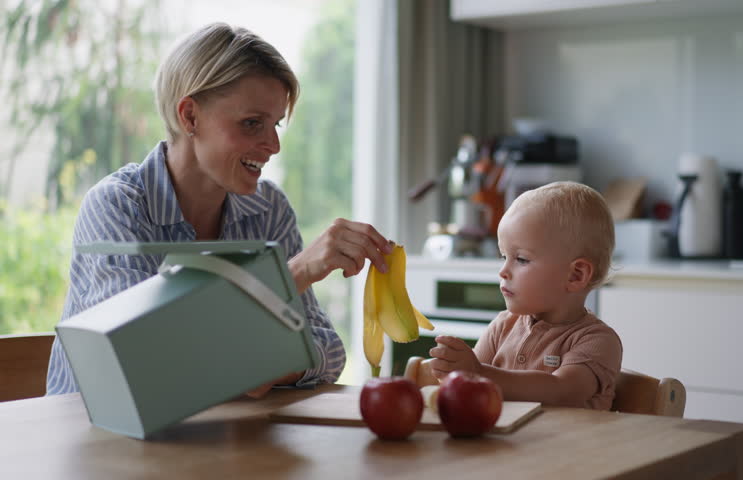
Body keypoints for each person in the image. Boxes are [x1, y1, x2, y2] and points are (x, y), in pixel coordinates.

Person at [45, 23, 393, 397]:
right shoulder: (118, 207)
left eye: (275, 124)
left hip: (217, 438)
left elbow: (326, 350)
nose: (273, 144)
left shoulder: (268, 209)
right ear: (190, 117)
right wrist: (295, 274)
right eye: (252, 123)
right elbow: (141, 360)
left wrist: (243, 366)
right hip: (98, 444)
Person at [428, 181, 623, 409]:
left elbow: (561, 391)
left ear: (575, 276)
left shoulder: (597, 342)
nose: (503, 271)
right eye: (504, 257)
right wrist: (452, 371)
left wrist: (477, 372)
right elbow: (468, 385)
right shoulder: (502, 327)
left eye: (521, 259)